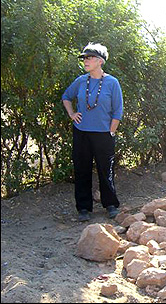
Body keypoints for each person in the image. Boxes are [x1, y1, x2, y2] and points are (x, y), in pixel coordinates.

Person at [62, 42, 123, 221]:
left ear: (100, 61)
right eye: (84, 58)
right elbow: (66, 97)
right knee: (82, 169)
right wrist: (72, 113)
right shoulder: (81, 81)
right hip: (81, 132)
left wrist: (111, 131)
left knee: (106, 170)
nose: (86, 61)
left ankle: (110, 204)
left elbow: (118, 110)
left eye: (89, 58)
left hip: (104, 134)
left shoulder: (112, 82)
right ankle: (83, 208)